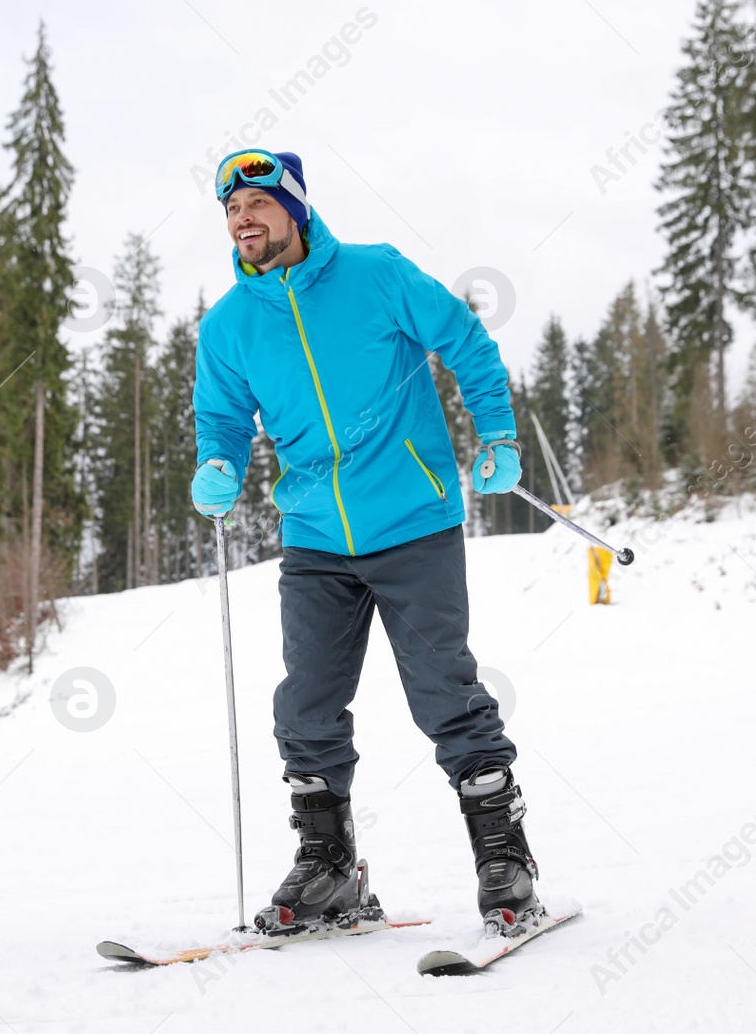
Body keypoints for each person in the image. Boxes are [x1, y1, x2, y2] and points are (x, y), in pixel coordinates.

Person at [189, 148, 542, 935]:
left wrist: (497, 432)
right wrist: (218, 460)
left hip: (413, 518)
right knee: (306, 702)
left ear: (295, 208)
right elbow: (221, 417)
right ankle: (328, 867)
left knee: (445, 692)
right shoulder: (229, 327)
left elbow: (467, 342)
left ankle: (504, 856)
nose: (242, 219)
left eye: (256, 203)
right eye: (231, 209)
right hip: (314, 534)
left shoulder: (376, 274)